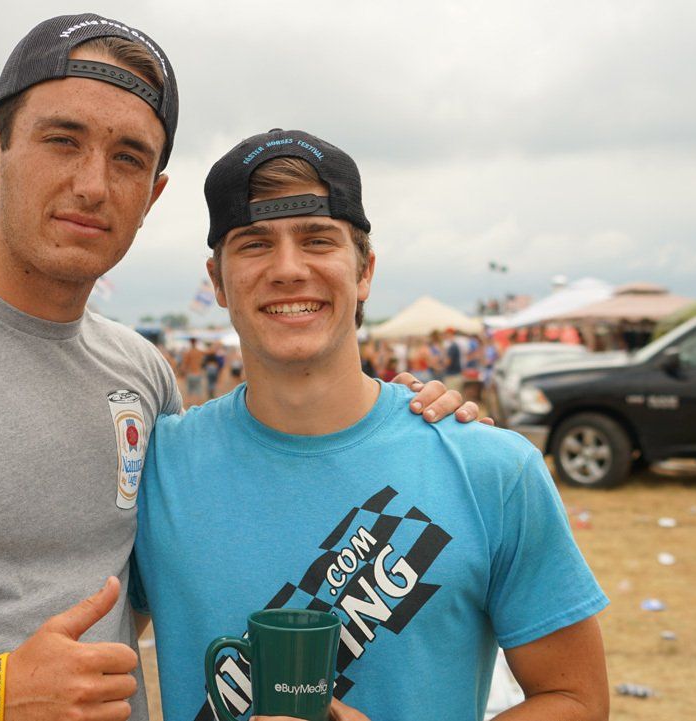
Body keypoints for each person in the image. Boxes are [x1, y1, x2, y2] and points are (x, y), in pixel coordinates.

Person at [0, 16, 480, 721]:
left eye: (128, 157)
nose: (93, 184)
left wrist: (411, 421)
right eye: (62, 140)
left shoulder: (142, 372)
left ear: (154, 193)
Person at [133, 129, 610, 721]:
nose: (288, 269)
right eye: (255, 244)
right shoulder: (154, 471)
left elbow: (575, 700)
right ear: (217, 281)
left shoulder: (492, 468)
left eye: (317, 240)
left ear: (364, 272)